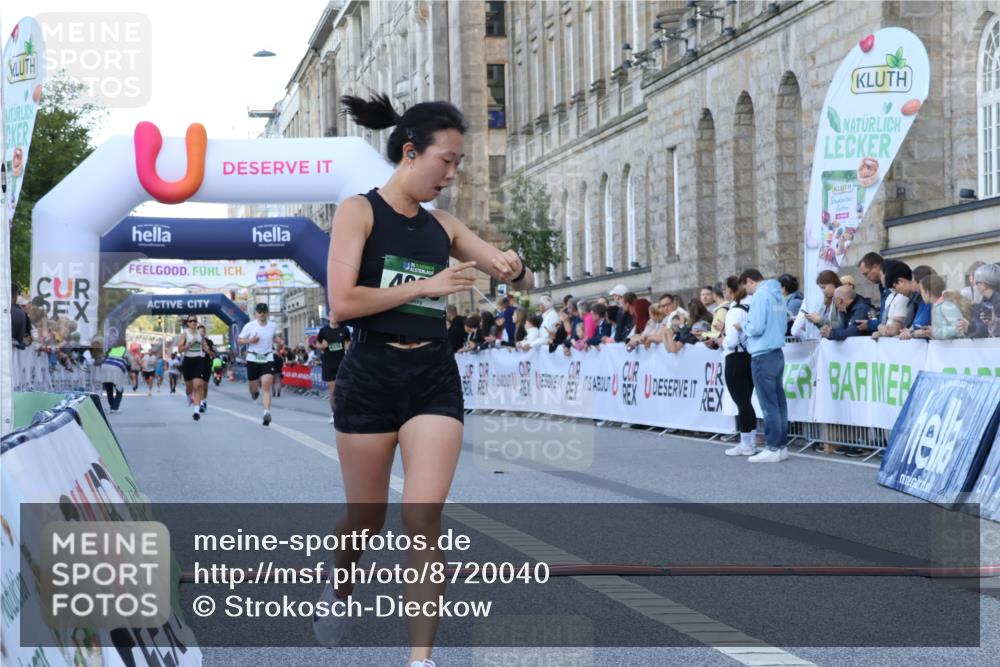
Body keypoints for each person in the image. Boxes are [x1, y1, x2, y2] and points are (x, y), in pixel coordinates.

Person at [318, 93, 533, 666]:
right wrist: (426, 287)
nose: (453, 173)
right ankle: (340, 587)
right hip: (371, 374)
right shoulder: (359, 212)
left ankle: (421, 660)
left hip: (432, 376)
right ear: (411, 153)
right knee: (365, 519)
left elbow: (502, 266)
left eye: (459, 163)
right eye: (448, 160)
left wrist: (511, 262)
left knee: (422, 517)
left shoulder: (444, 224)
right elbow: (341, 303)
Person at [740, 269, 789, 463]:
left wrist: (743, 326)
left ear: (749, 281)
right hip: (777, 351)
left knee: (768, 404)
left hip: (762, 353)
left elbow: (756, 327)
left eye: (746, 286)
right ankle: (781, 446)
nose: (746, 291)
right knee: (779, 402)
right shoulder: (777, 294)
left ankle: (773, 446)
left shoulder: (761, 296)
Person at [723, 280, 756, 456]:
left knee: (742, 402)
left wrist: (722, 341)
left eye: (725, 290)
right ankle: (749, 440)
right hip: (750, 357)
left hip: (735, 357)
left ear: (731, 291)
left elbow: (732, 341)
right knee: (746, 401)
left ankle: (746, 443)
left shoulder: (734, 311)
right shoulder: (751, 307)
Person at [238, 302, 279, 426]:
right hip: (253, 359)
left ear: (267, 313)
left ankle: (266, 413)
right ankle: (254, 393)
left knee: (266, 386)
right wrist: (251, 340)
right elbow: (239, 340)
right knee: (253, 388)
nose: (262, 314)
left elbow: (274, 337)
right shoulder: (250, 326)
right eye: (259, 312)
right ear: (256, 314)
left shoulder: (273, 325)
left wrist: (279, 340)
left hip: (267, 358)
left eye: (264, 312)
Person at [316, 317, 351, 424]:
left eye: (336, 316)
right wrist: (322, 346)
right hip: (328, 364)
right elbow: (317, 343)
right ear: (329, 318)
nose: (334, 318)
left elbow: (348, 342)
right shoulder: (324, 331)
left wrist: (347, 346)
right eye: (332, 316)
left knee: (343, 389)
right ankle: (334, 414)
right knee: (333, 390)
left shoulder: (344, 330)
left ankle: (343, 412)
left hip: (342, 363)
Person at [790, 270, 841, 341]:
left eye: (824, 287)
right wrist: (814, 320)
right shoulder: (829, 300)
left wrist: (819, 320)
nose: (823, 291)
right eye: (821, 288)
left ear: (833, 283)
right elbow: (826, 326)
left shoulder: (840, 299)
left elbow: (840, 326)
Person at [178, 316, 208, 421]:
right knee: (189, 387)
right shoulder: (184, 334)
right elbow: (180, 349)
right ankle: (188, 396)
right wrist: (190, 344)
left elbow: (204, 346)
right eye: (190, 321)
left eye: (195, 321)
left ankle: (196, 411)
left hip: (198, 361)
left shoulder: (201, 334)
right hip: (188, 361)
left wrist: (208, 350)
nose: (193, 323)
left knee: (198, 386)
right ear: (187, 323)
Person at [960, 263, 1000, 338]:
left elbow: (991, 330)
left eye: (977, 282)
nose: (975, 285)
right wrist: (967, 327)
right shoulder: (984, 301)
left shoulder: (997, 301)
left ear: (984, 285)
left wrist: (970, 328)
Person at [99, 343, 132, 413]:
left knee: (109, 389)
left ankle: (112, 406)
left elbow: (103, 357)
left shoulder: (111, 349)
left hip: (105, 366)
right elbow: (130, 361)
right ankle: (114, 408)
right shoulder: (125, 350)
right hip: (117, 368)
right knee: (119, 390)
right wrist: (129, 368)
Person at [197, 324, 216, 413]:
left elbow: (213, 354)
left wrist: (205, 348)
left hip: (206, 365)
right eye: (199, 331)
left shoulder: (209, 342)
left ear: (204, 332)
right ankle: (201, 403)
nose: (201, 333)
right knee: (199, 385)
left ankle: (204, 400)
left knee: (204, 385)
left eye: (202, 331)